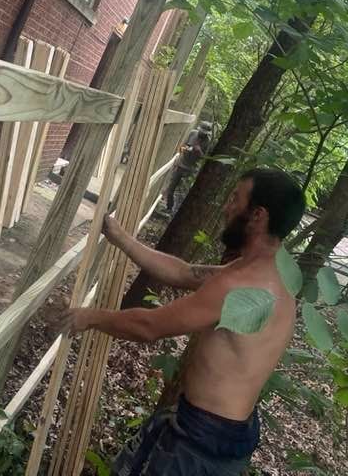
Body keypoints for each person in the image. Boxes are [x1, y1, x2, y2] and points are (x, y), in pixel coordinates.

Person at [61, 169, 306, 476]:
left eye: (235, 199)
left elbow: (149, 327)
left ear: (257, 215)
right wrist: (121, 238)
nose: (226, 207)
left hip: (200, 444)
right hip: (223, 433)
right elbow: (185, 273)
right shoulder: (272, 278)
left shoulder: (240, 284)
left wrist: (90, 317)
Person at [164, 121, 213, 212]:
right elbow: (184, 145)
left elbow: (204, 157)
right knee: (171, 189)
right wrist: (184, 148)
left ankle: (175, 212)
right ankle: (169, 208)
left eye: (204, 133)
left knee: (181, 193)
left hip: (190, 170)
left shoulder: (208, 142)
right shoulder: (193, 133)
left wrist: (199, 151)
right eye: (201, 131)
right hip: (180, 164)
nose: (202, 134)